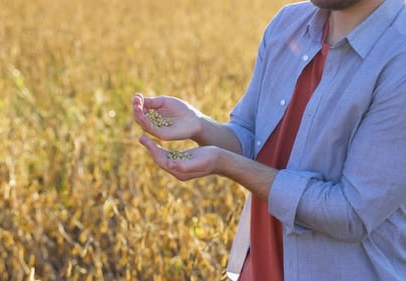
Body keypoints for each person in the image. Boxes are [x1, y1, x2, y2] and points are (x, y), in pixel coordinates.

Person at [132, 0, 406, 280]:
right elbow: (253, 140)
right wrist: (200, 126)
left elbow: (351, 214)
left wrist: (226, 164)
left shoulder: (399, 57)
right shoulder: (289, 24)